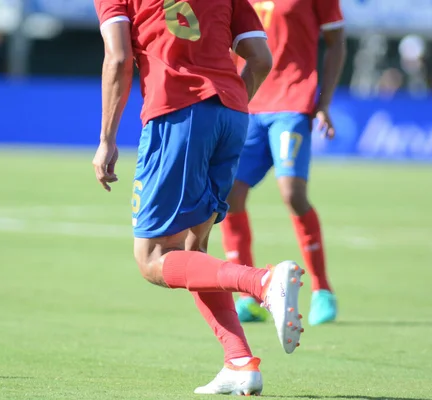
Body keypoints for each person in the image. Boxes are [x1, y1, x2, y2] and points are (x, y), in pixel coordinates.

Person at [93, 0, 305, 395]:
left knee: (153, 258)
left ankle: (262, 282)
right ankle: (239, 361)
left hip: (177, 114)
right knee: (195, 247)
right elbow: (259, 58)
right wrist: (229, 101)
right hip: (233, 114)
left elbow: (118, 57)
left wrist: (106, 139)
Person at [220, 0, 346, 326]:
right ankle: (249, 295)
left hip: (292, 101)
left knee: (292, 193)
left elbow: (336, 40)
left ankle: (322, 290)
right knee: (230, 194)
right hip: (248, 100)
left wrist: (324, 102)